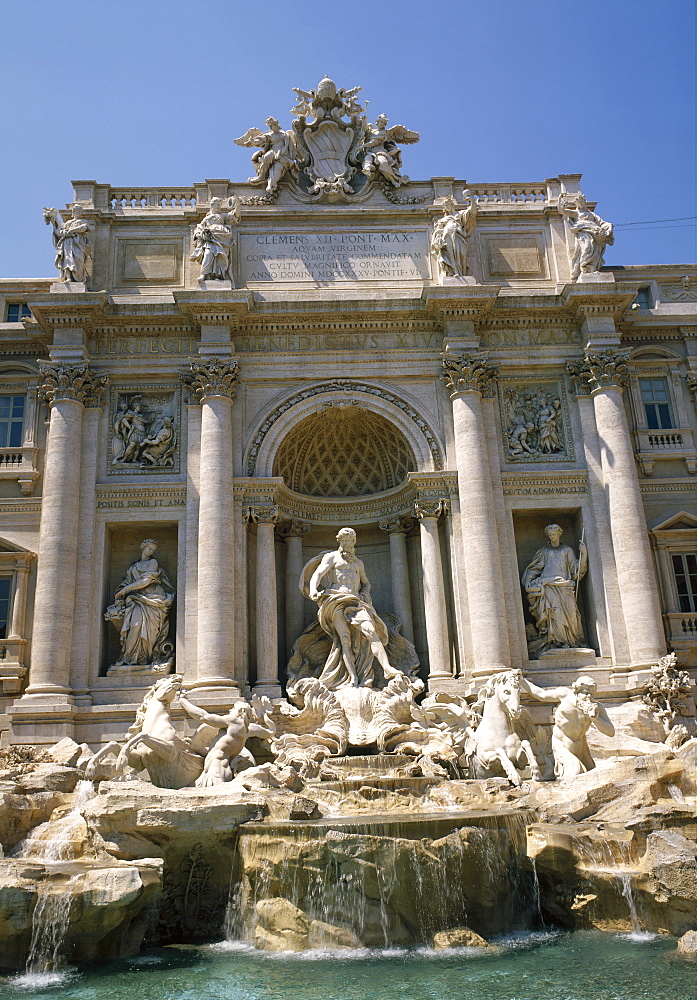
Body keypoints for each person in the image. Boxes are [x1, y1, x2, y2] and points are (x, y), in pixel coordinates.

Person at [305, 527, 399, 688]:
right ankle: (352, 678)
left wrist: (365, 594)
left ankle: (387, 668)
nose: (346, 543)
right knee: (345, 639)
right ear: (339, 541)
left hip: (356, 601)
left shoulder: (358, 563)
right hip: (336, 599)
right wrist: (313, 589)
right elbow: (318, 574)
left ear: (354, 541)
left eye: (349, 540)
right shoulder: (331, 557)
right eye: (343, 540)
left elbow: (366, 583)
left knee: (371, 631)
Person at [519, 673, 614, 778]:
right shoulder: (565, 695)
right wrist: (523, 681)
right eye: (586, 693)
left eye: (592, 694)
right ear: (577, 691)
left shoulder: (597, 708)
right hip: (561, 745)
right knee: (575, 774)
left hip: (581, 748)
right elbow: (541, 694)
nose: (589, 697)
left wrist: (595, 719)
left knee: (591, 777)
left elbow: (610, 732)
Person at [177, 694, 275, 787]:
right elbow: (270, 732)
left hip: (216, 769)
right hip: (218, 768)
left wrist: (183, 701)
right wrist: (196, 748)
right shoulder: (245, 731)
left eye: (233, 709)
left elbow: (204, 717)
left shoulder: (235, 722)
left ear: (240, 711)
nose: (230, 710)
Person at [109, 539, 175, 667]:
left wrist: (125, 590)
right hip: (136, 600)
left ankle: (145, 658)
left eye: (153, 550)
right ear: (142, 547)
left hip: (153, 599)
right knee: (135, 626)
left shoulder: (153, 562)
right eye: (149, 548)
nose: (151, 551)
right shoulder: (133, 567)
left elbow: (145, 581)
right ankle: (128, 657)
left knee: (148, 630)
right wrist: (122, 593)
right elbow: (126, 582)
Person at [522, 524, 587, 651]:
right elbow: (535, 568)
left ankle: (572, 640)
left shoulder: (567, 550)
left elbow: (576, 569)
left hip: (565, 586)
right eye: (550, 535)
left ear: (559, 534)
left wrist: (584, 555)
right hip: (548, 586)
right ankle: (557, 641)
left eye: (554, 534)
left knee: (572, 614)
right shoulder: (544, 551)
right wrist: (529, 580)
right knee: (553, 613)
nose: (552, 537)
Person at [430, 193, 478, 279]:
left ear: (452, 204)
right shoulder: (442, 220)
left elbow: (472, 212)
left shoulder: (460, 214)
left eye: (448, 204)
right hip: (447, 236)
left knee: (462, 254)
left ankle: (462, 272)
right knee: (450, 255)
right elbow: (436, 231)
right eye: (445, 205)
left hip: (458, 236)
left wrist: (472, 201)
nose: (447, 206)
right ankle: (454, 272)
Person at [190, 197, 238, 281]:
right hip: (210, 239)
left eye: (220, 205)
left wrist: (237, 203)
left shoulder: (222, 216)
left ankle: (218, 276)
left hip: (222, 238)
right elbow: (199, 228)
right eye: (217, 204)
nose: (218, 206)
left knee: (220, 256)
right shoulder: (206, 218)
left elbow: (234, 215)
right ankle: (204, 274)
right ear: (212, 204)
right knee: (208, 254)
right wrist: (198, 234)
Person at [44, 204, 93, 283]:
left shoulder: (83, 221)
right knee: (67, 259)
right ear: (73, 212)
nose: (78, 212)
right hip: (67, 244)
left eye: (80, 211)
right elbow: (59, 231)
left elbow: (84, 227)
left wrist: (72, 231)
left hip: (78, 244)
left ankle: (78, 278)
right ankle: (69, 277)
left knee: (78, 259)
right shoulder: (67, 223)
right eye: (77, 211)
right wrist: (54, 219)